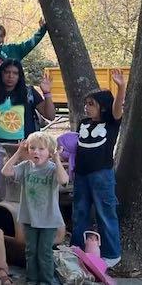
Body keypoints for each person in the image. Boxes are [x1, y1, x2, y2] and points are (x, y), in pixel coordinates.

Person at [0, 60, 55, 199]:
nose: (10, 76)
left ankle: (26, 212)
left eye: (15, 73)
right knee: (3, 185)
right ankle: (7, 210)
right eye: (7, 72)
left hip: (24, 147)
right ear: (1, 74)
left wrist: (47, 93)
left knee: (26, 184)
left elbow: (50, 115)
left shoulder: (29, 92)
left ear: (20, 76)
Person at [70, 69, 126, 268]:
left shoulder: (111, 122)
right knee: (80, 212)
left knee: (105, 212)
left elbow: (117, 109)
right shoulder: (83, 123)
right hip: (81, 175)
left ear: (103, 107)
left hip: (102, 174)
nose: (86, 107)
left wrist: (121, 87)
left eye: (91, 104)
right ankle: (76, 248)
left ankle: (112, 254)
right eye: (86, 104)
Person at [2, 132, 68, 284]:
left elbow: (64, 180)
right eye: (32, 148)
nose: (35, 151)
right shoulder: (25, 167)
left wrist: (57, 159)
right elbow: (6, 171)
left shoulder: (52, 169)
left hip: (48, 219)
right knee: (31, 251)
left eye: (41, 149)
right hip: (29, 218)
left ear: (49, 152)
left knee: (44, 252)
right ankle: (32, 279)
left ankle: (46, 280)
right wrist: (19, 153)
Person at [0, 0, 47, 97]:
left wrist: (42, 31)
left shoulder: (11, 50)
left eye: (1, 36)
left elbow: (29, 44)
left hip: (7, 93)